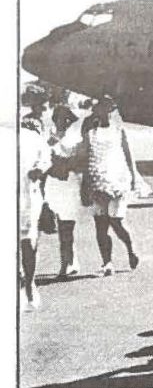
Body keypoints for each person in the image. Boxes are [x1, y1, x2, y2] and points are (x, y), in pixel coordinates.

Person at [81, 95, 140, 276]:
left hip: (117, 179)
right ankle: (107, 262)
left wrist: (133, 177)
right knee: (101, 223)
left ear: (111, 110)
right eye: (100, 108)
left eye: (107, 108)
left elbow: (129, 155)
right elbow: (85, 159)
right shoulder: (90, 133)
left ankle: (131, 248)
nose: (104, 112)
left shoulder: (119, 131)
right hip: (97, 179)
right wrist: (85, 183)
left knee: (117, 221)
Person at [47, 103, 89, 279]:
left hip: (69, 183)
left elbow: (79, 162)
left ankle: (67, 264)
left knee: (67, 225)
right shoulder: (48, 137)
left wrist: (63, 163)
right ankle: (70, 261)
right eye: (58, 118)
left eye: (66, 119)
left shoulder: (73, 139)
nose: (62, 122)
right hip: (54, 184)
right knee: (60, 225)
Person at [20, 105, 52, 309]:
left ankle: (30, 284)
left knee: (28, 243)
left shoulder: (31, 137)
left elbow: (45, 159)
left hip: (26, 198)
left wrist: (39, 169)